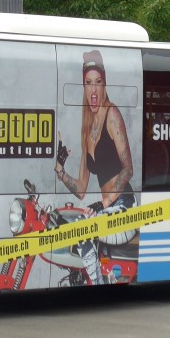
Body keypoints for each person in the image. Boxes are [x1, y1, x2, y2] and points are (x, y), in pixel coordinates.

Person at [54, 49, 135, 284]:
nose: (93, 89)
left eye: (98, 82)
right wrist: (59, 169)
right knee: (71, 223)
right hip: (106, 210)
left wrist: (104, 202)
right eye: (88, 83)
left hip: (124, 207)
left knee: (82, 227)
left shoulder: (112, 114)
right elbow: (81, 188)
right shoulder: (87, 128)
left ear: (104, 84)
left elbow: (128, 168)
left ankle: (97, 285)